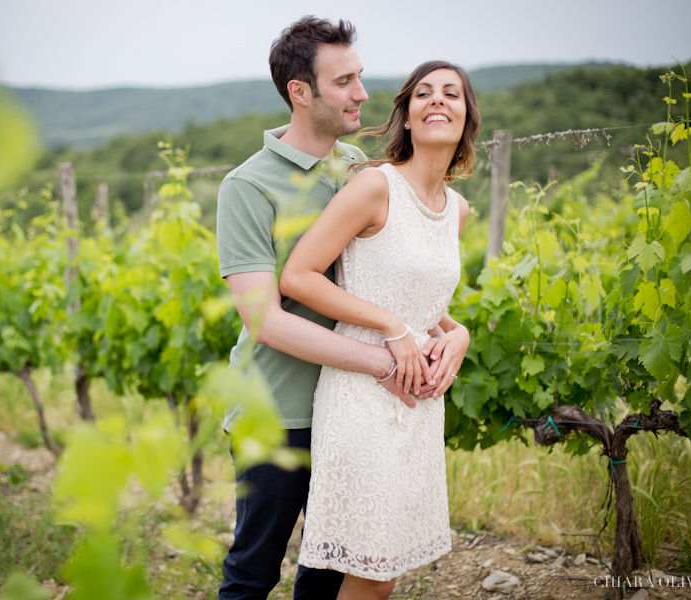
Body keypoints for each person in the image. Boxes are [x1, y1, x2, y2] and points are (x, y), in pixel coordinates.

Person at [216, 17, 443, 600]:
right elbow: (263, 319)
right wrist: (383, 362)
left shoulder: (360, 172)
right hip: (280, 410)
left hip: (352, 411)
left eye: (360, 77)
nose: (362, 94)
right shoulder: (247, 187)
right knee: (253, 572)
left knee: (331, 569)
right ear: (301, 92)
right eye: (344, 81)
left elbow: (392, 281)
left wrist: (452, 331)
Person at [279, 60, 480, 600]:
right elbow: (298, 276)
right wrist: (389, 324)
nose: (437, 101)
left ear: (467, 119)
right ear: (408, 117)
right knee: (371, 570)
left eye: (451, 95)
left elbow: (423, 301)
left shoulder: (457, 210)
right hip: (362, 388)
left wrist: (458, 334)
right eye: (423, 94)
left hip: (416, 400)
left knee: (381, 572)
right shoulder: (375, 187)